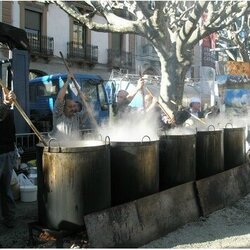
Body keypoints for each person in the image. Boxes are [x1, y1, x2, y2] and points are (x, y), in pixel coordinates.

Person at [49, 73, 87, 140]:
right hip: (58, 146)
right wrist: (68, 80)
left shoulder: (77, 117)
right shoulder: (58, 114)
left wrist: (83, 98)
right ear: (63, 108)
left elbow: (88, 109)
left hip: (74, 146)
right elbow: (60, 98)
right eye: (70, 107)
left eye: (74, 106)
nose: (73, 109)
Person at [0, 87, 17, 228]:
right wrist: (7, 103)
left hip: (7, 152)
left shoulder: (6, 108)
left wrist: (9, 102)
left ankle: (9, 219)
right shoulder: (4, 108)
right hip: (4, 152)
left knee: (5, 189)